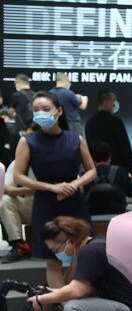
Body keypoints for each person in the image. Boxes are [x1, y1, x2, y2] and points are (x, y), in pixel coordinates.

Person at [13, 91, 96, 288]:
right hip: (46, 203)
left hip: (74, 201)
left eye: (46, 109)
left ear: (58, 111)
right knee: (53, 260)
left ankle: (69, 304)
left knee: (79, 256)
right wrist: (51, 187)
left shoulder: (75, 139)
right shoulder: (27, 141)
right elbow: (18, 176)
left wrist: (75, 184)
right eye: (36, 110)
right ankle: (64, 308)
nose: (40, 113)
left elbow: (91, 170)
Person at [84, 90, 132, 183]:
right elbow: (125, 146)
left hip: (96, 170)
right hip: (117, 169)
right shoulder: (116, 122)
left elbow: (89, 146)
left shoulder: (90, 123)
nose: (114, 104)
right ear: (106, 101)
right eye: (113, 100)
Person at [86, 141, 132, 214]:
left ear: (92, 158)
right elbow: (131, 194)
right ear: (110, 156)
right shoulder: (121, 171)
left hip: (93, 215)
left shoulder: (86, 175)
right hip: (118, 213)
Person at [2, 158, 34, 262]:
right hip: (30, 203)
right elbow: (4, 188)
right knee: (4, 200)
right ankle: (19, 245)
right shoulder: (18, 163)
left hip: (54, 204)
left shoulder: (56, 158)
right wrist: (24, 190)